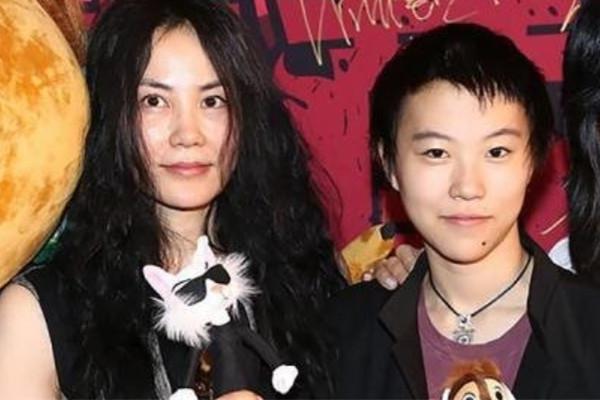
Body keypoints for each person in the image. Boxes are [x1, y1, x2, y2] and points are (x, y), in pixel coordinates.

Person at [0, 0, 345, 398]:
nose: (188, 134)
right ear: (110, 117)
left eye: (212, 101)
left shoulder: (304, 275)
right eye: (154, 101)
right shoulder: (36, 315)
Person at [328, 23, 600, 399]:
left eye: (496, 152)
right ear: (389, 163)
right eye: (436, 153)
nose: (467, 187)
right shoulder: (340, 333)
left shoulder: (589, 328)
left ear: (534, 159)